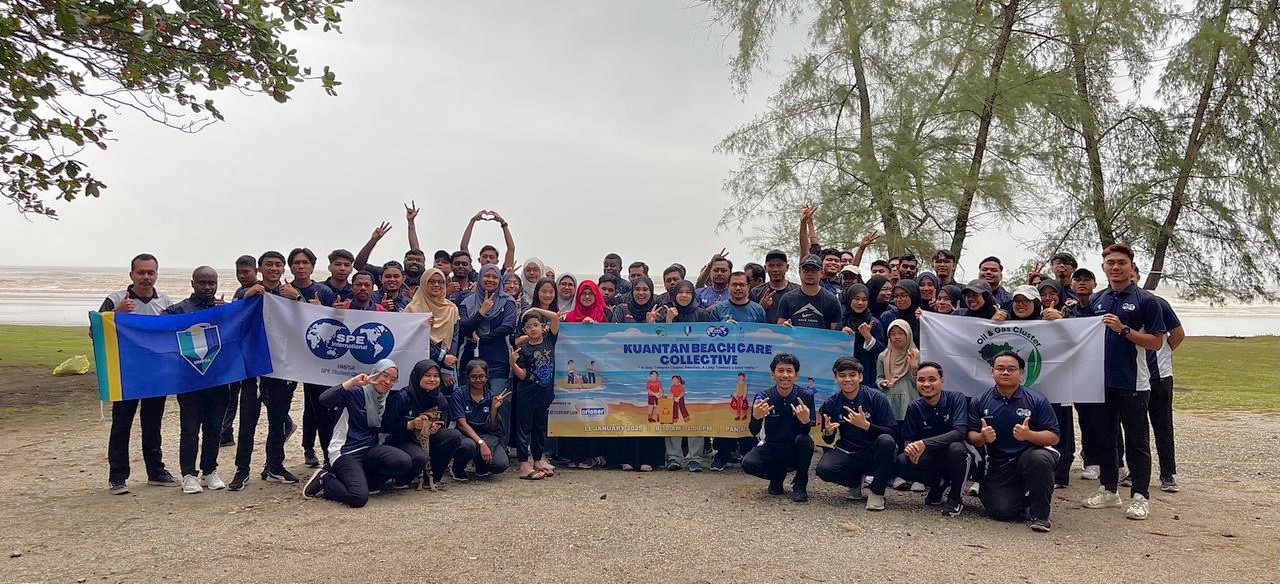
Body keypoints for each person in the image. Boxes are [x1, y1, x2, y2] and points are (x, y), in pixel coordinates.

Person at [1078, 244, 1167, 521]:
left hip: (1134, 383)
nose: (1115, 268)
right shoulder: (1097, 299)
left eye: (1121, 263)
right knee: (1105, 438)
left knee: (1136, 440)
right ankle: (1108, 490)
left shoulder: (1146, 301)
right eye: (1110, 263)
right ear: (1103, 268)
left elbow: (1156, 342)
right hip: (1101, 382)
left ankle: (1140, 496)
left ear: (1131, 267)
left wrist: (1124, 330)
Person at [102, 253, 177, 494]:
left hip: (156, 374)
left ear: (156, 274)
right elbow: (95, 332)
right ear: (131, 274)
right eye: (141, 272)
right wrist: (116, 313)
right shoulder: (116, 299)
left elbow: (176, 331)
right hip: (127, 374)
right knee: (122, 424)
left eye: (151, 272)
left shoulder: (164, 301)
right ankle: (117, 477)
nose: (146, 277)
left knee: (153, 424)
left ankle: (156, 471)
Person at [229, 251, 303, 491]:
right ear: (260, 269)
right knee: (248, 420)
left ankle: (275, 467)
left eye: (278, 265)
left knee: (278, 420)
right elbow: (231, 319)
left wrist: (298, 298)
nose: (274, 268)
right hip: (253, 367)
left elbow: (307, 322)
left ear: (283, 269)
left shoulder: (289, 293)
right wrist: (246, 297)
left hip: (282, 366)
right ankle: (242, 471)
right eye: (268, 265)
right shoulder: (247, 292)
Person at [968, 351, 1061, 532]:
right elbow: (972, 437)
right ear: (992, 371)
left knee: (1039, 458)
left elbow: (1054, 436)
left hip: (1029, 457)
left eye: (1011, 369)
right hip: (999, 464)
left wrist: (1029, 435)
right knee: (1001, 511)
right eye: (1000, 368)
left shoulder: (1036, 400)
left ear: (1021, 373)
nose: (1005, 373)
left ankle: (1040, 515)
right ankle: (1025, 497)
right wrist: (982, 437)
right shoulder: (979, 401)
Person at [302, 361, 411, 507]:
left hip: (369, 449)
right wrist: (352, 382)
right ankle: (325, 479)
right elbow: (324, 400)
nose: (387, 382)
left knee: (402, 461)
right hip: (346, 450)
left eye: (393, 380)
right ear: (376, 373)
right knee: (358, 497)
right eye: (385, 376)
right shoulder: (356, 392)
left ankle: (367, 482)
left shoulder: (385, 399)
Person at [164, 266, 231, 494]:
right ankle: (188, 475)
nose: (207, 287)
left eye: (211, 283)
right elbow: (156, 331)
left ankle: (210, 470)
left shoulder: (224, 310)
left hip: (218, 380)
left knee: (214, 428)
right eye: (202, 282)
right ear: (193, 283)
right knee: (190, 429)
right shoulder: (178, 310)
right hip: (189, 381)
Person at [815, 357, 897, 510]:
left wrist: (866, 426)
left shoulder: (877, 398)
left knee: (886, 441)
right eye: (842, 375)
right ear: (836, 378)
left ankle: (877, 492)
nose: (847, 379)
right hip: (848, 451)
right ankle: (854, 482)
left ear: (861, 376)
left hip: (874, 453)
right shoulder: (830, 404)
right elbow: (828, 440)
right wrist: (828, 433)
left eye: (852, 375)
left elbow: (893, 433)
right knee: (823, 469)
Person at [894, 362, 970, 516]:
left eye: (932, 379)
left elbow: (960, 432)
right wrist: (909, 448)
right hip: (931, 457)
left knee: (957, 449)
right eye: (921, 380)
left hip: (955, 457)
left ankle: (956, 498)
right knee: (902, 460)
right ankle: (938, 485)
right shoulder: (915, 407)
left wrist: (924, 443)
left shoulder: (956, 399)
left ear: (941, 380)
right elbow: (908, 438)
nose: (926, 384)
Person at [454, 264, 517, 447]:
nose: (490, 280)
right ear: (480, 278)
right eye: (486, 276)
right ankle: (468, 448)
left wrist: (482, 338)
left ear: (500, 280)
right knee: (468, 404)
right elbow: (463, 327)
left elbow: (508, 326)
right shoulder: (467, 302)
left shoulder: (508, 302)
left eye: (495, 277)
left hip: (498, 361)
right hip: (470, 361)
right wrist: (482, 311)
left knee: (500, 402)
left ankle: (499, 447)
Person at [743, 353, 816, 502]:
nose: (785, 375)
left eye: (789, 371)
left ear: (796, 375)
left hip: (795, 448)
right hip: (772, 446)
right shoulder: (763, 397)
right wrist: (756, 418)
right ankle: (777, 476)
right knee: (748, 463)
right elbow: (753, 431)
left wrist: (805, 421)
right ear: (773, 375)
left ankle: (800, 483)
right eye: (780, 370)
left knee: (806, 441)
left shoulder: (805, 396)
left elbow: (806, 432)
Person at [381, 359, 464, 489]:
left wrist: (435, 427)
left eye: (436, 376)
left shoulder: (439, 399)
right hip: (403, 440)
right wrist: (410, 425)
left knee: (453, 436)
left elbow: (444, 423)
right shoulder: (402, 397)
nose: (432, 379)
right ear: (418, 376)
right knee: (419, 457)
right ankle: (402, 480)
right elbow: (385, 426)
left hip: (426, 438)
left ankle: (431, 479)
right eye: (427, 375)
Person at [559, 280, 610, 469]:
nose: (587, 297)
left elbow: (611, 341)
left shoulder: (604, 315)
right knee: (574, 411)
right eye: (583, 294)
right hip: (573, 373)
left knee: (594, 411)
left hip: (597, 372)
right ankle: (574, 454)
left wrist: (595, 328)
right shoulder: (569, 317)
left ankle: (593, 455)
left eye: (590, 294)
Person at [510, 308, 560, 480]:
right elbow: (522, 375)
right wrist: (512, 363)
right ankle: (524, 464)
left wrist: (533, 309)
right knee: (524, 429)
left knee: (540, 428)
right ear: (524, 330)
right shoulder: (523, 350)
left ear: (542, 327)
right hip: (526, 394)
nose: (533, 329)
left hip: (544, 394)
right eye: (529, 326)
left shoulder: (549, 341)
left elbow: (554, 317)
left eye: (536, 325)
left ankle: (537, 461)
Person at [1149, 289, 1185, 493]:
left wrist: (1163, 352)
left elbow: (1178, 334)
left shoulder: (1158, 303)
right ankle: (1136, 470)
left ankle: (1167, 473)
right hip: (1134, 376)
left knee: (1162, 425)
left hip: (1160, 376)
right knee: (1135, 428)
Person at [222, 254, 261, 446]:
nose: (242, 276)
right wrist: (224, 309)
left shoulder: (259, 290)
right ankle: (226, 432)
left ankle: (286, 422)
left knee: (255, 394)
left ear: (256, 271)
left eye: (246, 272)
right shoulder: (240, 290)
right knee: (232, 391)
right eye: (239, 272)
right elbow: (237, 314)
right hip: (237, 349)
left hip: (253, 351)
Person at [451, 360, 512, 479]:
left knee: (501, 464)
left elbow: (492, 428)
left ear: (487, 377)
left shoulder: (491, 396)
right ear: (467, 378)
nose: (478, 380)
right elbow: (462, 424)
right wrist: (480, 443)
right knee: (468, 446)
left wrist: (494, 409)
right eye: (474, 377)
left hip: (485, 435)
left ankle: (481, 466)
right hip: (465, 435)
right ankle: (457, 468)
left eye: (481, 376)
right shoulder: (459, 394)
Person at [405, 268, 461, 370]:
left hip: (446, 365)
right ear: (424, 283)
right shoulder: (412, 309)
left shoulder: (451, 309)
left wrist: (447, 369)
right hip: (418, 365)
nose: (436, 285)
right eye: (431, 281)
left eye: (440, 282)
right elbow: (411, 340)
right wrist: (422, 328)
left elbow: (454, 340)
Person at [775, 254, 841, 330]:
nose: (809, 273)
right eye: (806, 270)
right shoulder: (787, 298)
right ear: (800, 272)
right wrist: (784, 326)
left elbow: (835, 332)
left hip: (821, 341)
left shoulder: (832, 300)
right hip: (794, 341)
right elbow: (780, 328)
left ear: (822, 273)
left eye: (814, 270)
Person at [839, 283, 886, 383]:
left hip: (867, 375)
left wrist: (868, 337)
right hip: (843, 374)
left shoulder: (874, 323)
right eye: (856, 299)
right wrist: (840, 335)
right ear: (849, 299)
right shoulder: (841, 321)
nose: (860, 303)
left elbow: (882, 353)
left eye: (864, 300)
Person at [876, 319, 919, 421]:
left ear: (908, 335)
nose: (896, 337)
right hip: (889, 398)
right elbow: (879, 377)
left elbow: (920, 383)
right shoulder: (883, 356)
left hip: (910, 398)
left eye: (901, 333)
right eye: (892, 334)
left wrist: (914, 367)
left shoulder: (916, 354)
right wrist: (882, 383)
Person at [459, 209, 517, 273]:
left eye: (491, 257)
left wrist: (503, 223)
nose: (488, 260)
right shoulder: (473, 276)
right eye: (484, 256)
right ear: (479, 259)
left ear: (497, 261)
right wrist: (472, 221)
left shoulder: (502, 276)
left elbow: (511, 248)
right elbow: (463, 247)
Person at [750, 249, 799, 325]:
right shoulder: (756, 292)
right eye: (771, 266)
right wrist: (760, 308)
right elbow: (749, 321)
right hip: (763, 334)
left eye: (779, 265)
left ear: (787, 267)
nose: (775, 269)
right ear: (765, 268)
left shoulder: (797, 291)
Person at [878, 280, 922, 346]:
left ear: (913, 295)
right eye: (895, 296)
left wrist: (920, 321)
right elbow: (882, 343)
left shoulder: (921, 316)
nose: (898, 299)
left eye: (903, 295)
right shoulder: (887, 316)